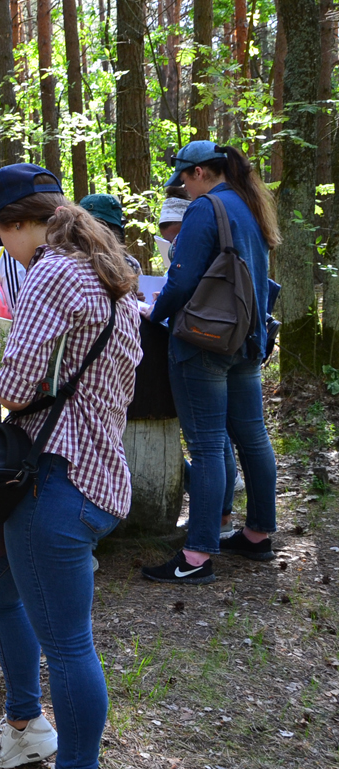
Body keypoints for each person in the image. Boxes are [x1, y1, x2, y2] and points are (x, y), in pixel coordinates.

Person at [0, 163, 141, 769]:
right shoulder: (108, 267)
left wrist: (2, 378)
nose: (1, 249)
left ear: (16, 225)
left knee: (68, 643)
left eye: (0, 234)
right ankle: (25, 725)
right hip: (91, 470)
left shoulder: (51, 272)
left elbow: (15, 386)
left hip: (58, 479)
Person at [142, 141, 280, 584]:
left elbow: (181, 280)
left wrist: (154, 313)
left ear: (200, 171)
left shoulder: (205, 208)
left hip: (204, 342)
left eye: (183, 178)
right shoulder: (249, 205)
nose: (181, 187)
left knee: (204, 448)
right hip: (245, 338)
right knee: (252, 437)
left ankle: (197, 554)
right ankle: (257, 533)